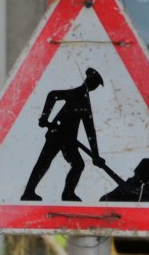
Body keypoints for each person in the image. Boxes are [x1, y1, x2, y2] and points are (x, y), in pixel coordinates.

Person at [21, 68, 104, 201]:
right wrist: (44, 117)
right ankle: (29, 193)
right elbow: (53, 95)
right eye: (94, 83)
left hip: (69, 139)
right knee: (44, 162)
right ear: (89, 82)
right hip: (57, 134)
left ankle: (68, 194)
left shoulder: (84, 99)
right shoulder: (77, 93)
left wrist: (95, 155)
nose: (94, 87)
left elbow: (90, 130)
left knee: (77, 165)